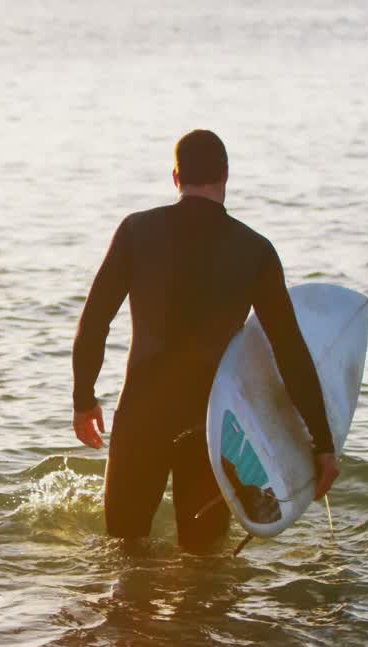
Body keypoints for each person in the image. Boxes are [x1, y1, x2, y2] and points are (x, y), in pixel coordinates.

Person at [71, 129, 340, 551]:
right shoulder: (255, 251)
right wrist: (322, 442)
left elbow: (94, 322)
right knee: (204, 569)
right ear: (226, 176)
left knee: (124, 555)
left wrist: (83, 397)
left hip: (142, 414)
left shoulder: (136, 232)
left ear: (175, 177)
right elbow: (288, 350)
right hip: (212, 428)